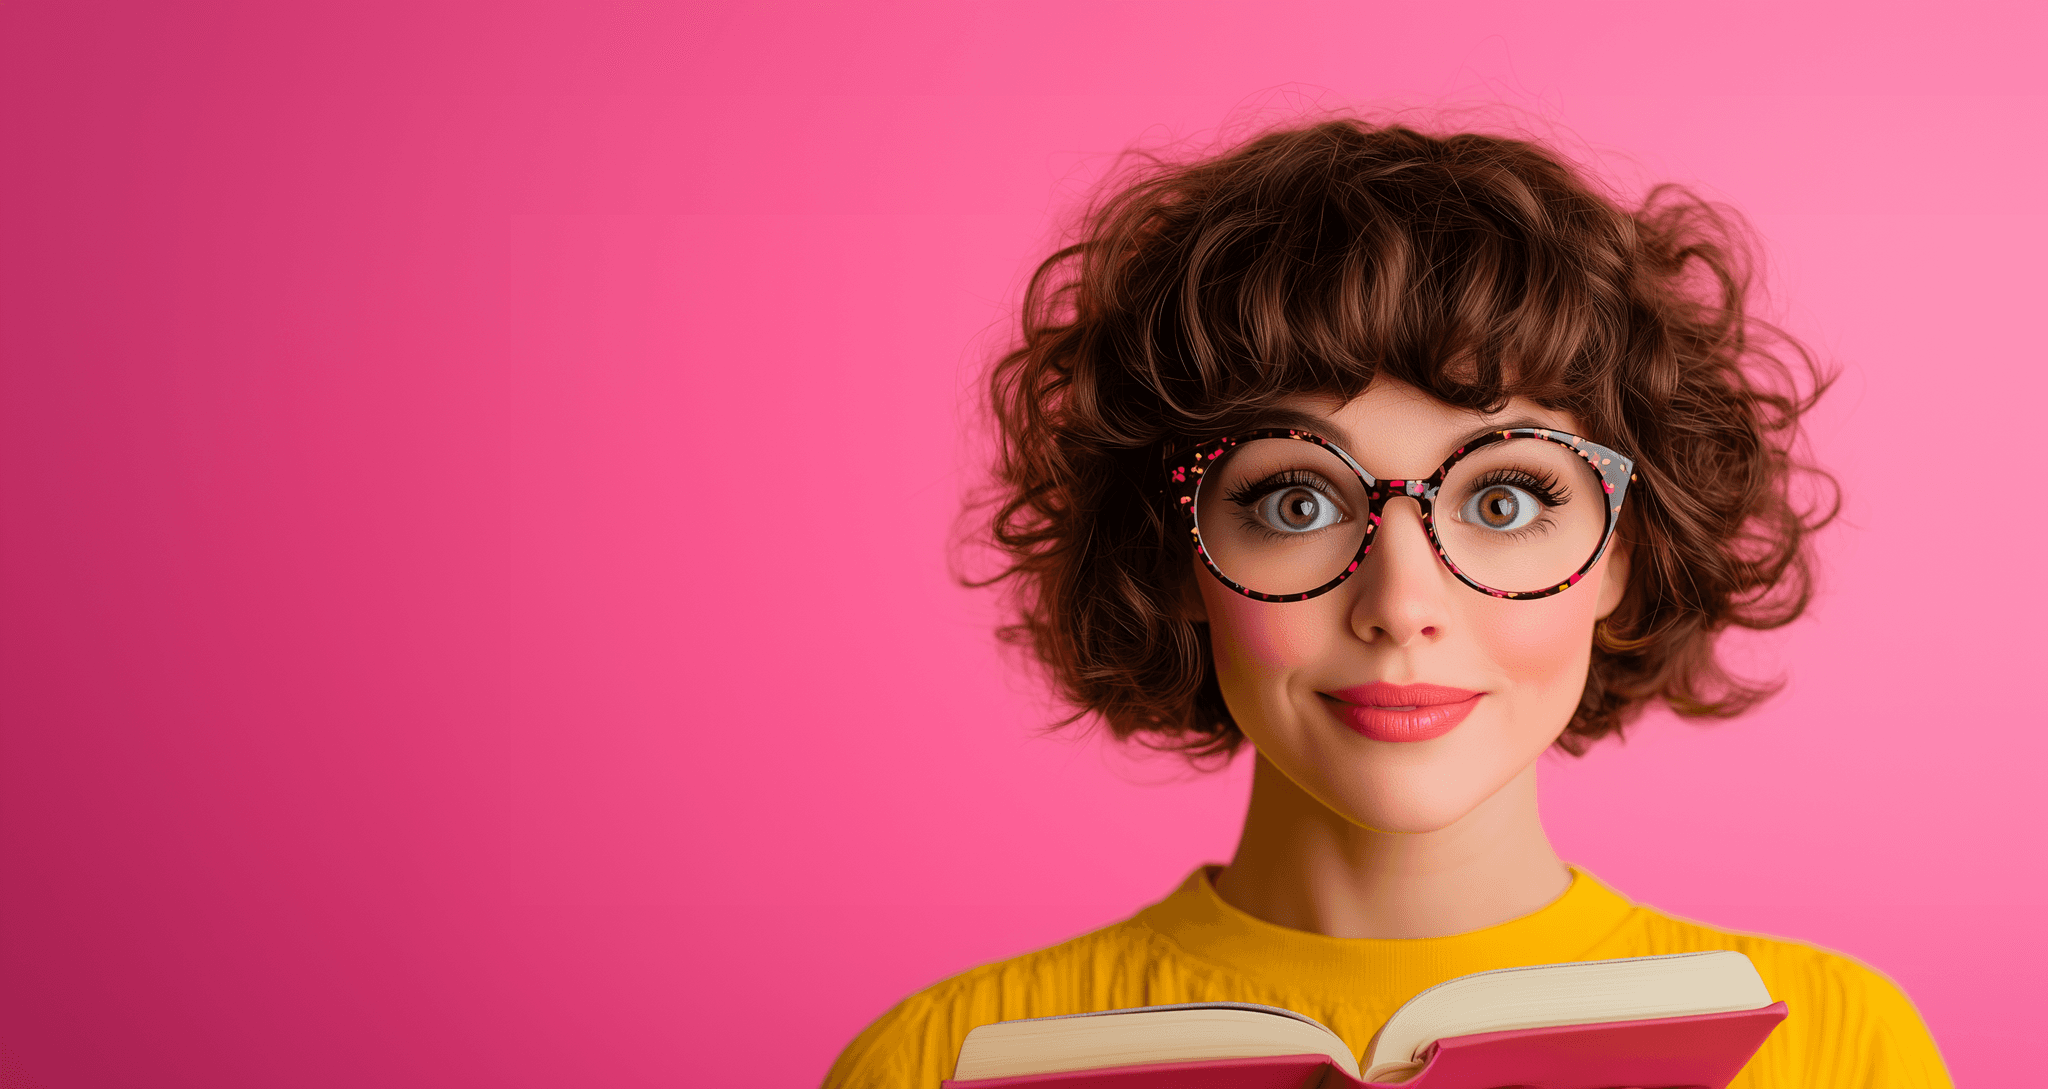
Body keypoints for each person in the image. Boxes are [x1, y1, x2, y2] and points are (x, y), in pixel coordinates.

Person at [823, 118, 1951, 1088]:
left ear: (1621, 552)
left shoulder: (1830, 1049)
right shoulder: (944, 1060)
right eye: (1295, 502)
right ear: (1175, 551)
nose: (1399, 604)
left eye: (1502, 501)